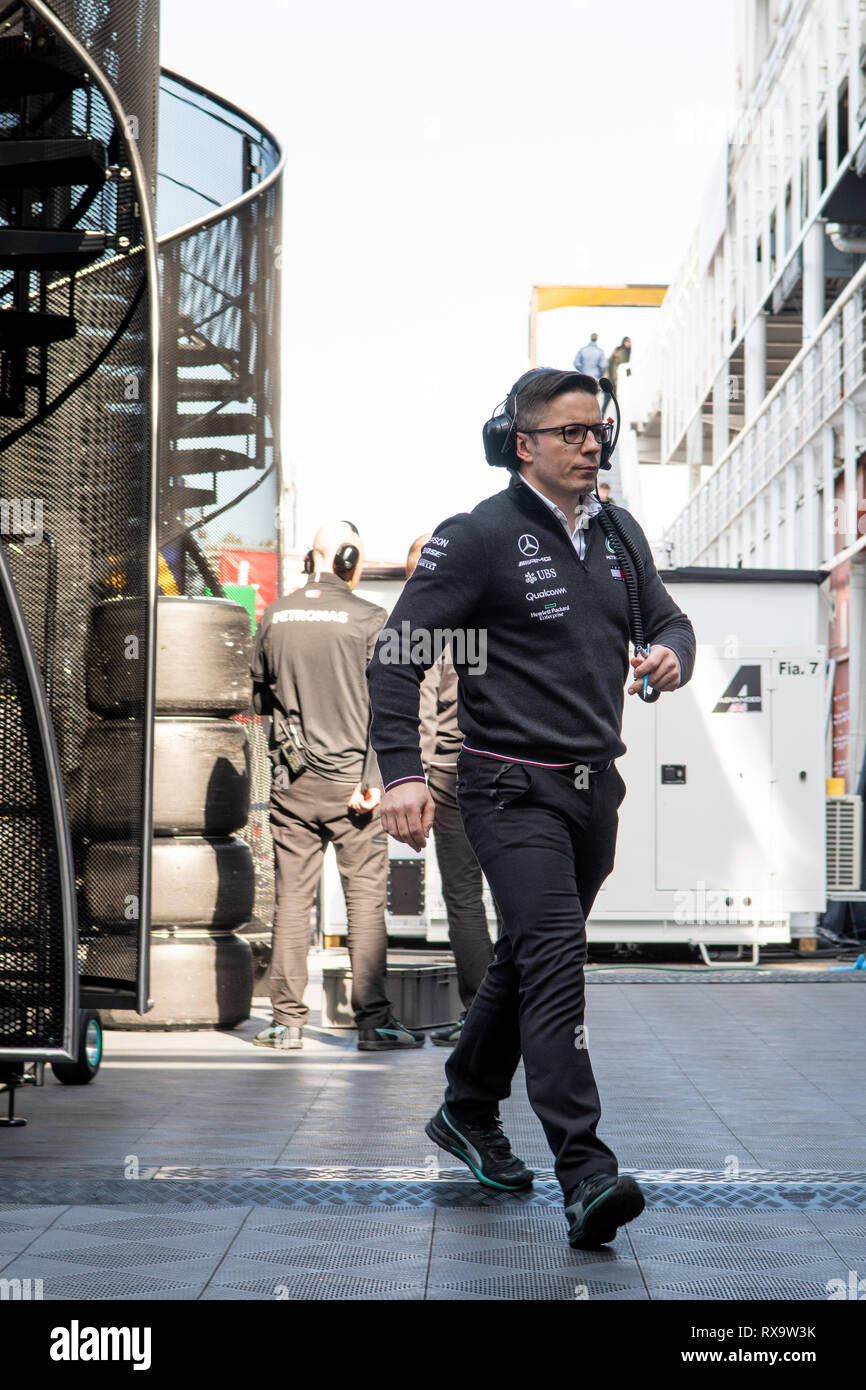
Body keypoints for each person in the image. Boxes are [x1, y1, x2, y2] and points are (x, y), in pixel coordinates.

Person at [366, 369, 695, 1248]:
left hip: (594, 791)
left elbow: (670, 624)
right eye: (573, 433)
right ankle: (585, 1174)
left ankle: (466, 1107)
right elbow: (397, 655)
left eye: (600, 432)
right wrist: (402, 773)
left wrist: (668, 655)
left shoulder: (619, 534)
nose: (593, 445)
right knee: (555, 963)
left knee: (524, 957)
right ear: (525, 444)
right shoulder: (478, 537)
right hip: (509, 787)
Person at [251, 519, 424, 1053]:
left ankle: (286, 1022)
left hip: (294, 787)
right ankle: (374, 1024)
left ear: (312, 559)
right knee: (366, 902)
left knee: (291, 899)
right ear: (350, 561)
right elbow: (392, 706)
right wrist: (376, 779)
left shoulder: (276, 616)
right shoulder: (371, 618)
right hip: (357, 789)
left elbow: (257, 700)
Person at [406, 533, 495, 1047]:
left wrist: (413, 779)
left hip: (448, 774)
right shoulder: (483, 614)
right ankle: (525, 1012)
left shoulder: (425, 624)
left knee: (464, 897)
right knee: (513, 894)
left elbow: (422, 711)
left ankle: (479, 1017)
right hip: (499, 766)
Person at [602, 336, 631, 414]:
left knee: (609, 400)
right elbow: (625, 366)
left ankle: (603, 415)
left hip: (611, 379)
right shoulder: (623, 352)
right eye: (626, 341)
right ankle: (603, 415)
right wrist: (628, 375)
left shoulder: (620, 351)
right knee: (609, 399)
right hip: (613, 379)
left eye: (629, 342)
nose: (628, 343)